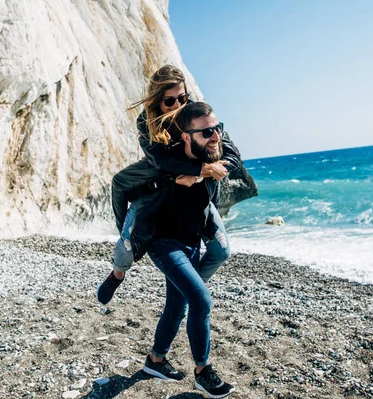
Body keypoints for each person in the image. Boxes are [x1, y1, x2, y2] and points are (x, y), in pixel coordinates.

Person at [96, 65, 241, 305]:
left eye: (182, 98)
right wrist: (202, 169)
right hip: (159, 169)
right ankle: (120, 264)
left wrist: (205, 173)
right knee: (120, 183)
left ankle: (192, 287)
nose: (177, 105)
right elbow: (160, 160)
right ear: (157, 101)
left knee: (221, 251)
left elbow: (232, 154)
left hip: (195, 185)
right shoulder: (147, 120)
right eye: (170, 101)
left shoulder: (194, 113)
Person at [141, 101, 235, 398]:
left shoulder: (214, 157)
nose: (215, 136)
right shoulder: (169, 164)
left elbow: (230, 159)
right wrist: (196, 172)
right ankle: (202, 371)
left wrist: (205, 172)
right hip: (163, 244)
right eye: (206, 132)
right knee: (201, 300)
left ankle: (155, 361)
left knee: (177, 306)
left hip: (192, 244)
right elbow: (169, 169)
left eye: (217, 128)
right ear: (186, 136)